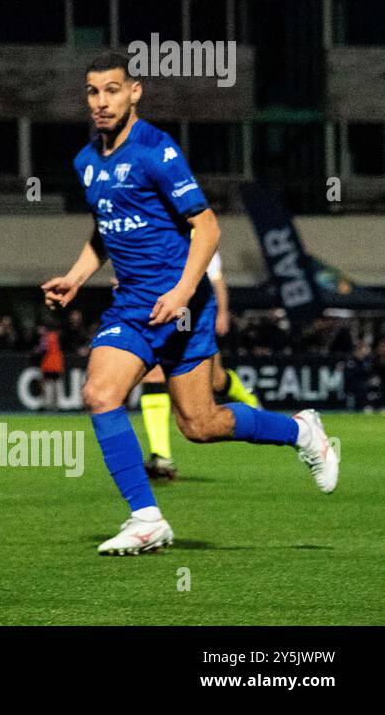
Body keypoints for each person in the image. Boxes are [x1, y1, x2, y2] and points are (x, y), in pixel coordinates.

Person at [42, 51, 339, 556]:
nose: (102, 101)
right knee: (99, 393)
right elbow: (106, 228)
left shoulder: (157, 150)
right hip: (133, 305)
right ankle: (147, 517)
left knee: (199, 425)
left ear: (135, 92)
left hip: (183, 305)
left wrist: (181, 292)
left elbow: (208, 227)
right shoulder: (87, 162)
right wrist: (75, 276)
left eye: (113, 90)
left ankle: (300, 430)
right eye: (93, 92)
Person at [141, 249, 260, 479]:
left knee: (216, 380)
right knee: (154, 371)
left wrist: (222, 312)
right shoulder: (146, 226)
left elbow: (216, 278)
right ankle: (161, 455)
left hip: (187, 309)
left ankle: (248, 400)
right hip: (150, 301)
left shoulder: (196, 234)